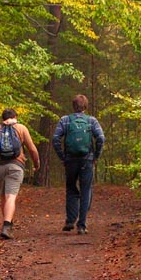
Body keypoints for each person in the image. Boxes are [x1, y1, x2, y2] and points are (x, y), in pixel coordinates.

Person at [52, 94, 105, 235]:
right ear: (85, 107)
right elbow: (100, 138)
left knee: (71, 188)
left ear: (73, 106)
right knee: (86, 190)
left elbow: (55, 138)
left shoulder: (65, 120)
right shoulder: (91, 121)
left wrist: (62, 157)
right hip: (87, 159)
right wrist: (96, 156)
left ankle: (70, 220)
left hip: (70, 160)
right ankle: (82, 225)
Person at [0, 108, 40, 239]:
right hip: (16, 166)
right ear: (15, 116)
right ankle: (7, 225)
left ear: (3, 118)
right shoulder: (21, 128)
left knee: (4, 196)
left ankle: (7, 224)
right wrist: (36, 164)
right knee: (11, 196)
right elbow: (32, 150)